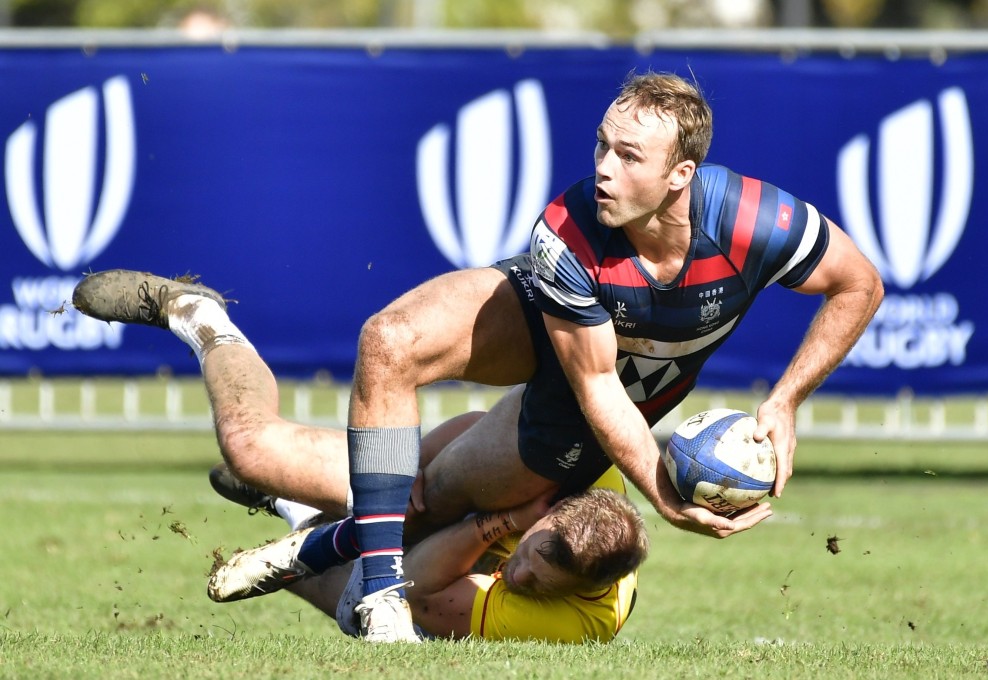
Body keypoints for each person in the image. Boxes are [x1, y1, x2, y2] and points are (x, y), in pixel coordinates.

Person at [73, 70, 883, 642]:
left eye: (629, 156)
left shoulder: (754, 222)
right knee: (386, 340)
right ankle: (376, 590)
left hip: (563, 424)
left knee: (274, 456)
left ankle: (285, 489)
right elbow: (599, 380)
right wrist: (665, 498)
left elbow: (859, 285)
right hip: (565, 344)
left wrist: (784, 402)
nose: (602, 166)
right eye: (602, 144)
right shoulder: (567, 230)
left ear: (682, 176)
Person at [205, 451, 647, 644]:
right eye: (531, 555)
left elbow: (417, 590)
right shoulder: (588, 470)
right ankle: (291, 489)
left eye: (542, 583)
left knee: (384, 607)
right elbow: (478, 427)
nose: (521, 576)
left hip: (435, 591)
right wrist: (418, 477)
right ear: (553, 512)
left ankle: (292, 515)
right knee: (439, 485)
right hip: (467, 519)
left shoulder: (574, 624)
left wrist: (504, 523)